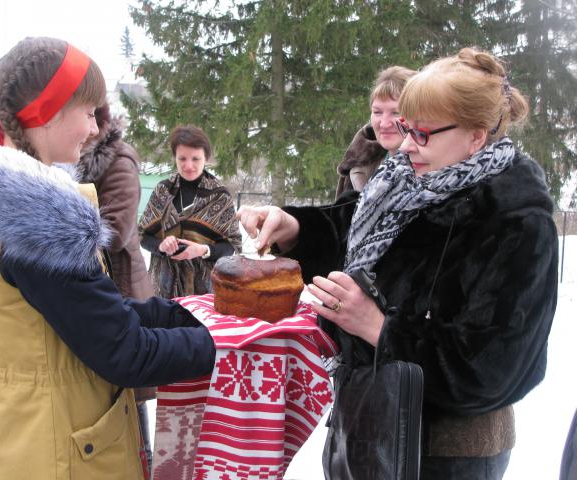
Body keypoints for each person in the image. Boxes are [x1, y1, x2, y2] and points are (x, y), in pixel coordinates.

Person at [237, 48, 558, 479]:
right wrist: (295, 228)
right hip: (368, 420)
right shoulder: (407, 182)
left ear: (476, 136)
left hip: (447, 453)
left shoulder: (515, 220)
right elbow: (353, 230)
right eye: (406, 128)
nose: (405, 144)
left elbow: (492, 368)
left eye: (422, 133)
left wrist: (379, 327)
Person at [0, 37, 215, 480]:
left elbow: (93, 314)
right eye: (88, 113)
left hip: (6, 444)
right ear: (45, 112)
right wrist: (225, 349)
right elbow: (125, 351)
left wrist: (188, 314)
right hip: (51, 458)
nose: (93, 129)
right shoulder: (34, 222)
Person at [76, 104, 155, 473]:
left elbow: (118, 229)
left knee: (129, 398)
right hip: (101, 283)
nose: (87, 126)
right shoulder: (78, 159)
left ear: (102, 120)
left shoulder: (118, 161)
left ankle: (144, 468)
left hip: (121, 285)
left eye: (92, 117)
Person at [139, 124, 241, 299]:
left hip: (205, 293)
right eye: (182, 158)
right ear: (175, 158)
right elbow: (142, 236)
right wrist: (161, 246)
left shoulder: (220, 196)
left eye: (195, 159)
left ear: (206, 158)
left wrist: (203, 250)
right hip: (162, 290)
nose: (188, 165)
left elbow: (231, 246)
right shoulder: (162, 191)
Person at [336, 66, 416, 197]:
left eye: (396, 113)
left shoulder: (437, 171)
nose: (384, 123)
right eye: (377, 112)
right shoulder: (358, 165)